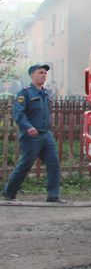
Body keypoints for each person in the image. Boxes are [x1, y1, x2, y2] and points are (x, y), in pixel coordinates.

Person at [2, 64, 64, 202]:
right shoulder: (25, 93)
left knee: (54, 164)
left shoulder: (45, 92)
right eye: (40, 72)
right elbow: (18, 113)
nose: (44, 75)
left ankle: (53, 196)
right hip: (32, 136)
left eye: (45, 73)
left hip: (46, 135)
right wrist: (28, 126)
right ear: (32, 75)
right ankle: (9, 193)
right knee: (25, 165)